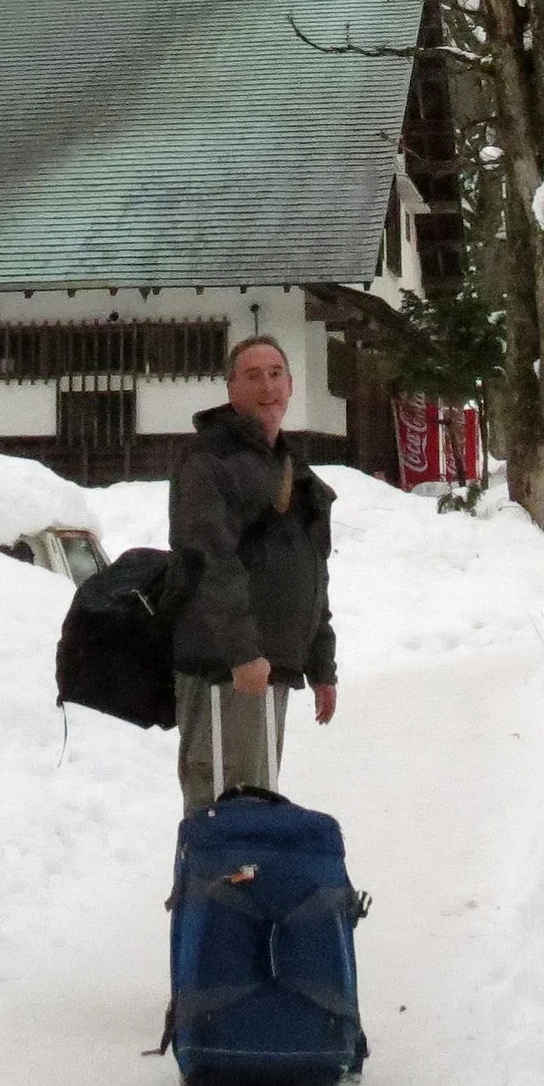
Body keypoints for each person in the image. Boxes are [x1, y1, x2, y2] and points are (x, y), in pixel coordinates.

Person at [167, 334, 337, 814]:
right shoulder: (208, 460)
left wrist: (320, 662)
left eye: (276, 374)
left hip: (269, 666)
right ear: (230, 388)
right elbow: (207, 559)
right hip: (225, 666)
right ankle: (207, 893)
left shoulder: (288, 464)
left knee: (254, 807)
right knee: (221, 808)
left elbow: (311, 570)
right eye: (253, 375)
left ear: (291, 383)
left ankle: (239, 891)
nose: (268, 386)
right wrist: (242, 654)